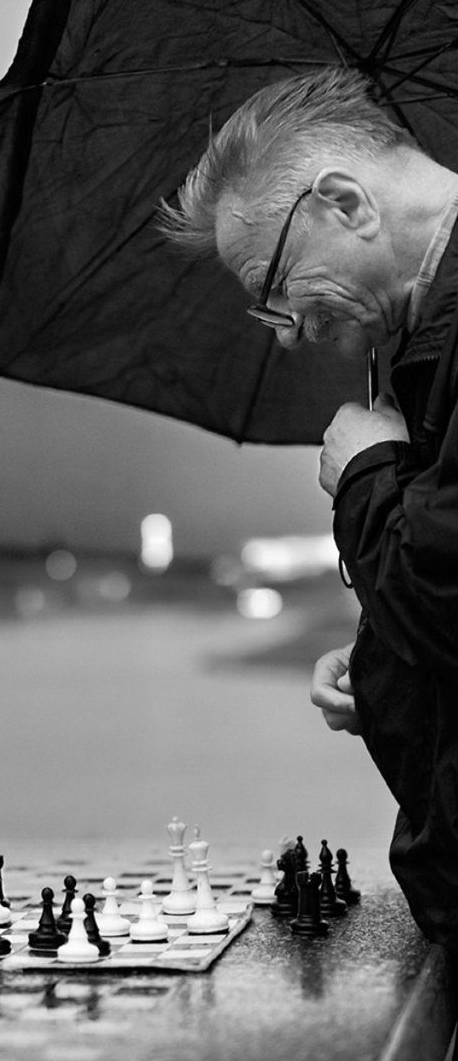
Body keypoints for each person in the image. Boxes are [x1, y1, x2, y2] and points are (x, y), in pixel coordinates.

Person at [158, 65, 458, 951]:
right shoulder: (428, 335)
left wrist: (366, 474)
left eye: (276, 283)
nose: (285, 327)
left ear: (344, 202)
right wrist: (385, 661)